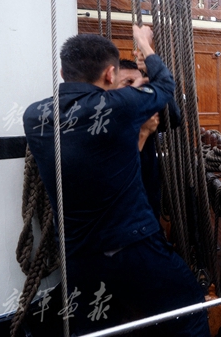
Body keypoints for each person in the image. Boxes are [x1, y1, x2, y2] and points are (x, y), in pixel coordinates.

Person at [23, 26, 209, 336]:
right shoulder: (120, 106)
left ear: (63, 72)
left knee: (100, 326)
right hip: (132, 246)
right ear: (110, 75)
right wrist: (145, 45)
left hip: (77, 255)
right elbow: (165, 85)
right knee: (189, 311)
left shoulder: (34, 116)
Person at [118, 58, 181, 219]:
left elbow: (173, 119)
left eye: (140, 83)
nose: (136, 87)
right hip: (120, 203)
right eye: (128, 82)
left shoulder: (144, 109)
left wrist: (153, 75)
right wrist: (143, 132)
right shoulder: (104, 118)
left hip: (147, 192)